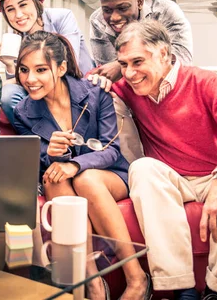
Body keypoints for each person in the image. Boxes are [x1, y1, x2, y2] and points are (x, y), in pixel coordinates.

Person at [112, 20, 217, 300]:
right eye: (123, 64)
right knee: (142, 168)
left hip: (214, 175)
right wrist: (101, 76)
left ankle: (216, 291)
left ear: (163, 54)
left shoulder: (204, 82)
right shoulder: (128, 87)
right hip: (171, 180)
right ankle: (181, 287)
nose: (130, 73)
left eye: (137, 61)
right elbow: (80, 83)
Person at [12, 31, 151, 300]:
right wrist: (50, 154)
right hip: (61, 180)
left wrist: (75, 165)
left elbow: (111, 150)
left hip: (109, 175)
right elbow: (38, 160)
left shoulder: (95, 93)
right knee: (54, 178)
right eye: (24, 70)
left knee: (85, 179)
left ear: (61, 68)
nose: (30, 79)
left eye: (41, 69)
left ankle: (136, 278)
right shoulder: (22, 112)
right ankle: (94, 283)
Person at [0, 0, 96, 125]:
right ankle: (38, 135)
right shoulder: (17, 38)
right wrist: (9, 64)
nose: (18, 15)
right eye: (10, 9)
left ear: (36, 3)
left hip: (76, 83)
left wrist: (8, 82)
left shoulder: (62, 17)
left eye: (23, 5)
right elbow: (23, 78)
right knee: (7, 94)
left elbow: (67, 66)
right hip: (44, 88)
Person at [88, 0, 193, 82]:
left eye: (123, 8)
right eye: (107, 10)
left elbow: (182, 62)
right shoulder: (97, 21)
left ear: (139, 3)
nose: (114, 18)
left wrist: (121, 66)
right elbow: (110, 74)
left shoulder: (167, 12)